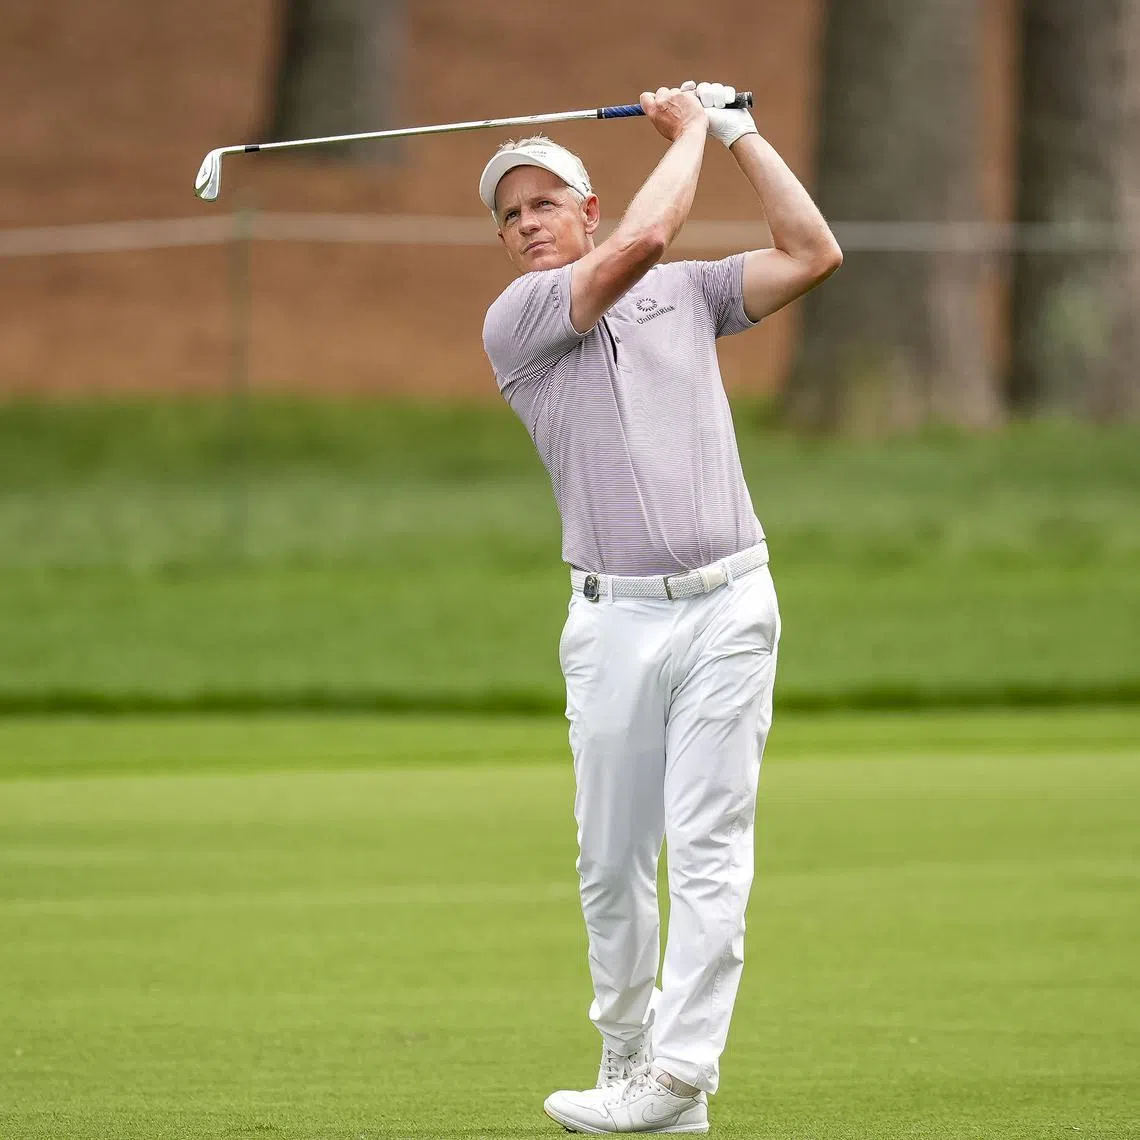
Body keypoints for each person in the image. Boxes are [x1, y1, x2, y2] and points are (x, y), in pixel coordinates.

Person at [480, 81, 841, 1134]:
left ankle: (681, 1074)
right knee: (612, 861)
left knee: (711, 845)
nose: (527, 223)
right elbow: (642, 243)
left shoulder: (689, 294)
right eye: (510, 213)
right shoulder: (520, 318)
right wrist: (686, 133)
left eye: (546, 203)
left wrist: (738, 134)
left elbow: (813, 252)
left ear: (585, 209)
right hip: (615, 620)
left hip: (732, 602)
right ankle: (629, 1055)